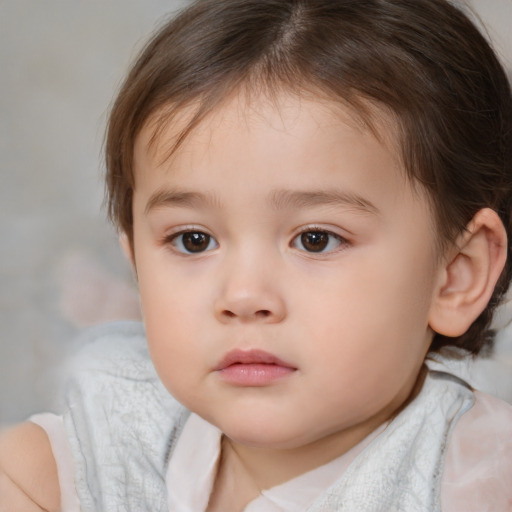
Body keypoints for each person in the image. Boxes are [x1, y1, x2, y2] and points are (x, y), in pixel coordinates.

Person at [1, 0, 512, 510]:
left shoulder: (477, 478)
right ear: (136, 262)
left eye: (316, 239)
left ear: (453, 275)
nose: (243, 296)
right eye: (193, 240)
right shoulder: (104, 443)